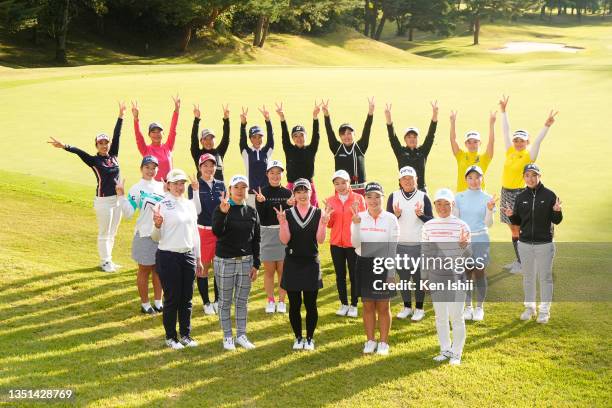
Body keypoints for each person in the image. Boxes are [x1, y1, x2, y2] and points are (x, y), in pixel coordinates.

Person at [47, 103, 125, 272]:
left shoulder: (114, 155)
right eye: (101, 143)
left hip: (117, 200)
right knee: (104, 233)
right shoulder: (93, 160)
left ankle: (109, 260)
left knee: (112, 232)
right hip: (103, 201)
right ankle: (105, 262)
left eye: (106, 143)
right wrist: (64, 146)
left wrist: (121, 116)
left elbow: (117, 135)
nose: (104, 145)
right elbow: (78, 151)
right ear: (96, 145)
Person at [499, 95, 558, 274]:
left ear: (527, 142)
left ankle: (526, 263)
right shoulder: (510, 150)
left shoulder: (529, 155)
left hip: (518, 193)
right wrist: (503, 112)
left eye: (521, 140)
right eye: (516, 140)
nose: (517, 142)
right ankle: (520, 261)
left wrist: (546, 125)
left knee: (519, 228)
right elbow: (505, 131)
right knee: (512, 228)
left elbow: (539, 140)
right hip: (505, 192)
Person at [504, 164, 563, 324]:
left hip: (544, 243)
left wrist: (557, 211)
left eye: (534, 175)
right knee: (528, 277)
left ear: (539, 176)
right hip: (524, 244)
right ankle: (530, 308)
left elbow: (556, 220)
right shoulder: (521, 197)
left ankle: (544, 311)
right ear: (523, 177)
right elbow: (518, 221)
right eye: (527, 175)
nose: (530, 178)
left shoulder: (550, 195)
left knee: (545, 278)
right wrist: (511, 215)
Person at [151, 169, 202, 350]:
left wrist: (198, 257)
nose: (180, 187)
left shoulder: (189, 204)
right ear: (169, 185)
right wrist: (157, 225)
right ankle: (170, 337)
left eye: (182, 184)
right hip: (168, 255)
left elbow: (194, 233)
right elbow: (156, 237)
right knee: (172, 298)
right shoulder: (162, 205)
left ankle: (185, 335)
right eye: (176, 184)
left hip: (187, 255)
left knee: (186, 299)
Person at [278, 179, 332, 351]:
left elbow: (320, 240)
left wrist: (323, 224)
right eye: (298, 191)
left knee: (310, 304)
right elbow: (285, 240)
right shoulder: (286, 213)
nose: (302, 195)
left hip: (311, 263)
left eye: (305, 191)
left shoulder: (318, 213)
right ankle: (298, 337)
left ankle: (309, 338)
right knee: (294, 304)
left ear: (310, 193)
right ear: (294, 194)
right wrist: (282, 223)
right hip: (293, 263)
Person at [421, 188, 471, 366]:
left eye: (446, 204)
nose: (442, 207)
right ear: (434, 205)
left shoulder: (462, 226)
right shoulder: (428, 226)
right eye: (439, 204)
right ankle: (445, 349)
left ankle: (457, 353)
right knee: (440, 317)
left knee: (456, 317)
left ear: (453, 205)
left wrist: (464, 247)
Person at [212, 175, 260, 351]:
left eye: (243, 187)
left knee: (241, 301)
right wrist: (223, 214)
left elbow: (256, 240)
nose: (240, 191)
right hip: (225, 261)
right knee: (225, 302)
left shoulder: (252, 212)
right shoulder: (222, 209)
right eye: (236, 187)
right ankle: (227, 336)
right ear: (230, 190)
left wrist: (256, 264)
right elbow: (217, 232)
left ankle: (241, 335)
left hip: (246, 262)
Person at [351, 182, 399, 355]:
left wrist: (391, 273)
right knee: (368, 305)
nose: (373, 200)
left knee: (383, 306)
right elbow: (355, 244)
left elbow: (393, 248)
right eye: (369, 196)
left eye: (377, 196)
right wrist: (356, 224)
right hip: (363, 264)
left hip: (383, 265)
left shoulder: (390, 219)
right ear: (365, 199)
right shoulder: (358, 217)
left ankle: (384, 342)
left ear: (382, 198)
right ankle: (370, 340)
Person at [116, 155, 165, 314]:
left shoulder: (162, 186)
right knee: (144, 269)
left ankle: (158, 302)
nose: (151, 171)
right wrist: (121, 196)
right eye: (147, 167)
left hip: (162, 235)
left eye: (153, 167)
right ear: (141, 169)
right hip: (144, 235)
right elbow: (129, 213)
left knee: (159, 270)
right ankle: (145, 304)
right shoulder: (137, 188)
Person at [386, 166, 433, 322]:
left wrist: (421, 216)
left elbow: (431, 221)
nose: (407, 181)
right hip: (399, 245)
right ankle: (407, 307)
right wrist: (396, 215)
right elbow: (388, 221)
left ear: (416, 180)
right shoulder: (393, 196)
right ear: (400, 181)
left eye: (410, 178)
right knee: (404, 278)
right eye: (404, 178)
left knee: (418, 278)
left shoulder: (423, 196)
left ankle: (419, 308)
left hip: (419, 245)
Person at [454, 166, 497, 322]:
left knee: (479, 273)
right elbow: (456, 221)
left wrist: (490, 210)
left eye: (477, 177)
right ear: (466, 179)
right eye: (470, 177)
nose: (474, 181)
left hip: (481, 239)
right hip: (465, 240)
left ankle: (479, 308)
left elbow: (488, 223)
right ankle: (468, 307)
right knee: (465, 273)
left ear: (482, 178)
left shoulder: (487, 198)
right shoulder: (458, 197)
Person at [325, 170, 366, 318]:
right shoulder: (330, 201)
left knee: (354, 275)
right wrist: (326, 216)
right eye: (337, 183)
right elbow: (329, 225)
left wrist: (358, 216)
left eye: (343, 182)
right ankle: (344, 304)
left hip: (353, 243)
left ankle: (354, 304)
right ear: (334, 185)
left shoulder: (358, 199)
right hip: (336, 243)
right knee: (340, 275)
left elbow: (363, 220)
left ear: (349, 183)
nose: (341, 186)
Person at [188, 153, 226, 315]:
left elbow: (226, 208)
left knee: (218, 268)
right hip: (202, 231)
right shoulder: (194, 186)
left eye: (212, 165)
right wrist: (196, 191)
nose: (209, 169)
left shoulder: (221, 185)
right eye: (205, 165)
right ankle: (206, 302)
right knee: (203, 268)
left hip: (219, 232)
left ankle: (218, 300)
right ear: (200, 167)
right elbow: (196, 210)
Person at [254, 160, 294, 314]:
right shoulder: (262, 193)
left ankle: (282, 301)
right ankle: (270, 300)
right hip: (267, 234)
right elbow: (262, 218)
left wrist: (291, 206)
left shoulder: (287, 193)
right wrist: (261, 203)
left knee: (283, 271)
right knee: (269, 271)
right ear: (267, 174)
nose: (275, 176)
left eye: (278, 172)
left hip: (283, 234)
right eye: (272, 172)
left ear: (282, 174)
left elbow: (290, 219)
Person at [323, 98, 374, 195]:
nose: (346, 136)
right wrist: (326, 115)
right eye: (343, 134)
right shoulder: (336, 147)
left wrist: (370, 113)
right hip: (342, 190)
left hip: (361, 190)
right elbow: (329, 131)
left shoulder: (360, 146)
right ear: (340, 136)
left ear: (354, 134)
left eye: (349, 133)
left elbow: (367, 129)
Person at [385, 101, 438, 192]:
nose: (412, 139)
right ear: (405, 139)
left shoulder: (423, 151)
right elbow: (392, 137)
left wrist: (435, 115)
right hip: (403, 191)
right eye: (409, 137)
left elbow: (430, 136)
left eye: (414, 137)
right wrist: (389, 119)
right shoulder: (400, 152)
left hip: (421, 190)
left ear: (418, 139)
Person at [275, 101, 321, 206]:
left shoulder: (311, 149)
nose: (299, 138)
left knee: (312, 212)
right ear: (292, 138)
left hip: (308, 186)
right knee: (291, 213)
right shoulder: (289, 149)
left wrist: (315, 117)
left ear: (305, 136)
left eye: (301, 135)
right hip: (292, 186)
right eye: (295, 135)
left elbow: (316, 135)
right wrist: (282, 118)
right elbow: (284, 136)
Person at [131, 96, 180, 182]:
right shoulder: (145, 150)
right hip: (152, 187)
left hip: (169, 186)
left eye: (159, 131)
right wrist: (136, 119)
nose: (156, 134)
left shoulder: (168, 146)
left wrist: (176, 111)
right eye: (153, 132)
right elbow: (138, 136)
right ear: (149, 135)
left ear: (163, 133)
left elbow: (173, 130)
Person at [450, 110, 496, 192]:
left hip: (479, 196)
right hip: (462, 195)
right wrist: (453, 122)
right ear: (465, 144)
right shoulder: (460, 155)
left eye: (475, 142)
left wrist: (492, 124)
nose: (472, 145)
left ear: (480, 143)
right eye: (469, 142)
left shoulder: (485, 158)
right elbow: (453, 140)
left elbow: (491, 142)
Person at [239, 106, 274, 207]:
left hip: (266, 193)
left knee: (265, 220)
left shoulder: (267, 151)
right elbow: (242, 140)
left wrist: (268, 120)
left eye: (260, 137)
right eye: (254, 137)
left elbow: (271, 138)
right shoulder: (246, 152)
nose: (257, 140)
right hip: (251, 194)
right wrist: (243, 124)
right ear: (250, 139)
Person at [190, 103, 230, 180]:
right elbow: (194, 138)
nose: (208, 141)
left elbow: (226, 138)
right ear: (201, 141)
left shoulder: (219, 151)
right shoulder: (197, 153)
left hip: (219, 190)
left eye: (211, 138)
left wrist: (226, 120)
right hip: (203, 189)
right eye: (205, 139)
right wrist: (196, 120)